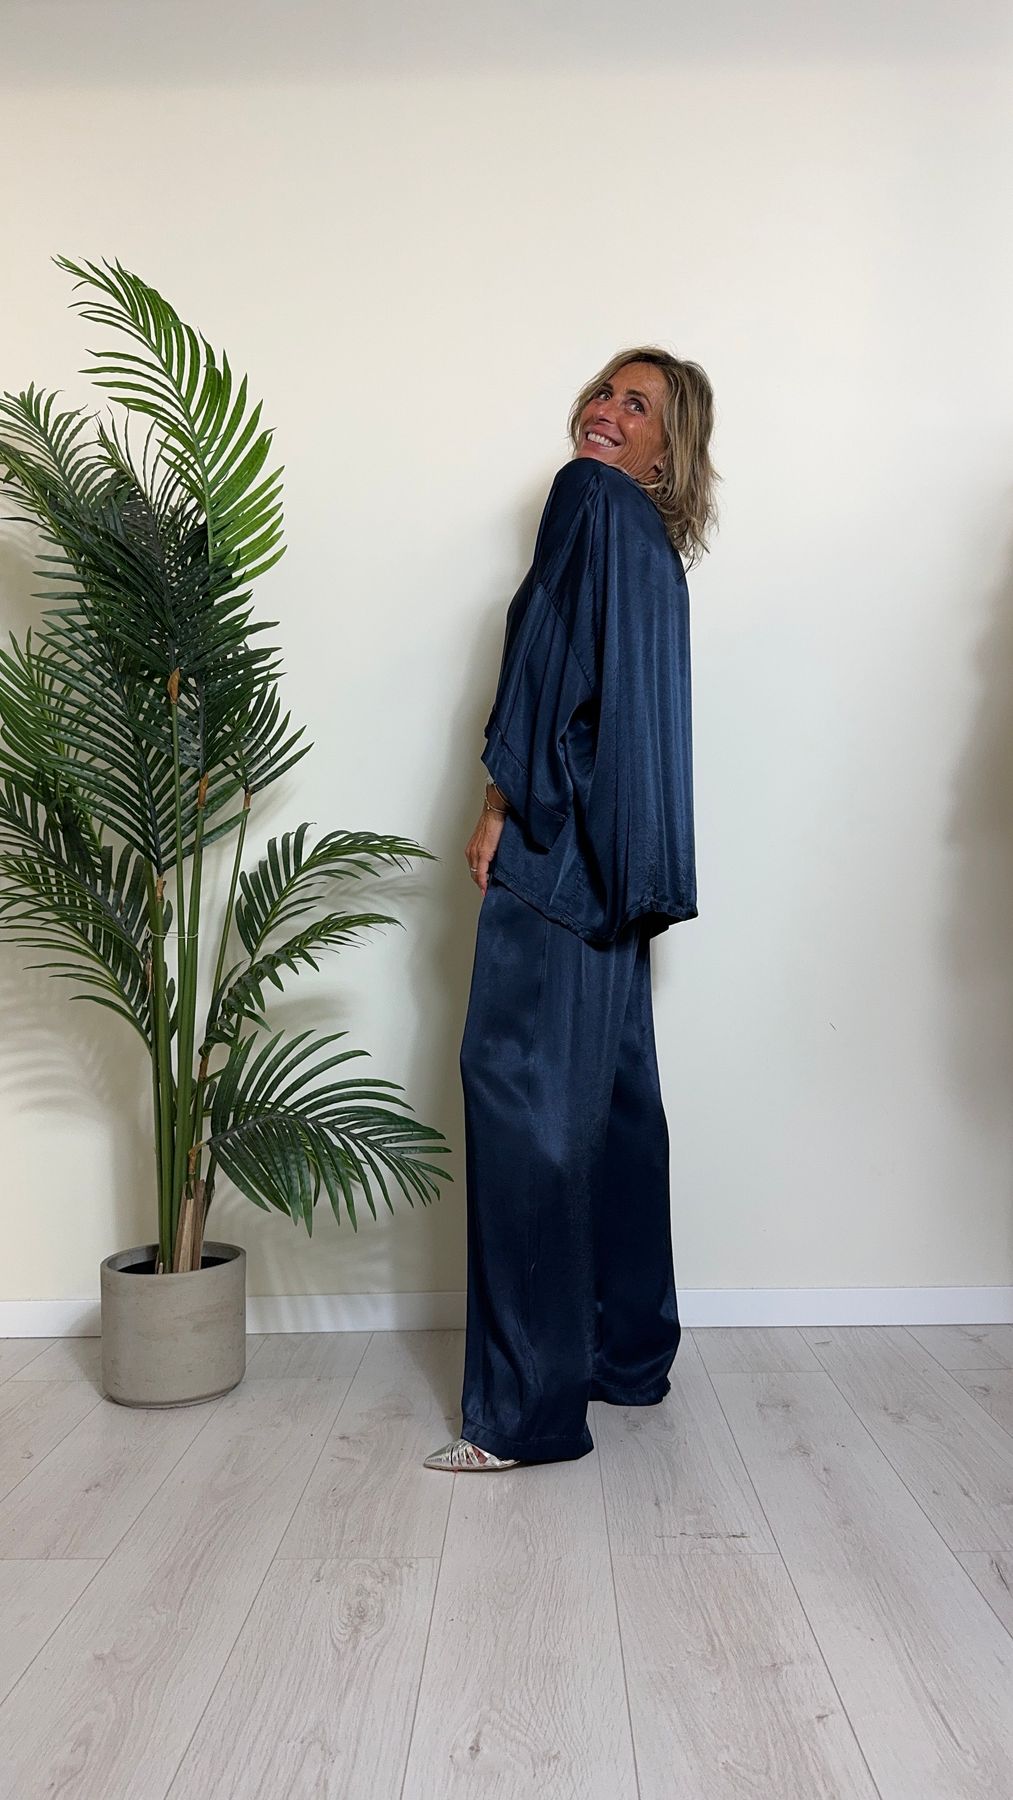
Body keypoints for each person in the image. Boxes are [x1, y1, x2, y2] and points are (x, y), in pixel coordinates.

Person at [424, 347, 719, 1472]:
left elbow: (548, 669)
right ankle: (625, 1356)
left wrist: (502, 803)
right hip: (620, 870)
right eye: (603, 392)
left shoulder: (586, 498)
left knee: (522, 1110)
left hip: (556, 853)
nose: (605, 412)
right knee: (613, 1109)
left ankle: (525, 1415)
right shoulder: (653, 550)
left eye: (636, 406)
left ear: (665, 452)